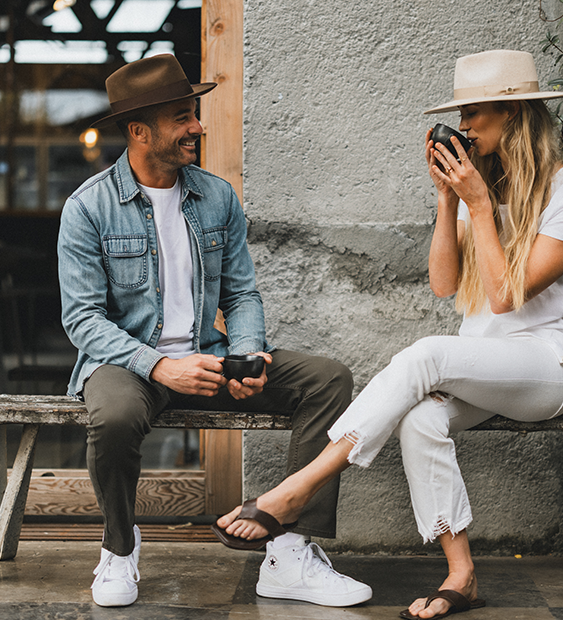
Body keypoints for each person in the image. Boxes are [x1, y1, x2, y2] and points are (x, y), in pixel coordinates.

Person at [213, 49, 563, 619]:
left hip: (549, 368)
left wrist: (478, 203)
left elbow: (503, 296)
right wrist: (450, 200)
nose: (464, 127)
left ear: (514, 117)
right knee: (421, 419)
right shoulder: (481, 192)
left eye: (474, 113)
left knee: (425, 356)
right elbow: (445, 284)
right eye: (462, 115)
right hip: (485, 364)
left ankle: (299, 488)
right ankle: (461, 575)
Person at [57, 53, 372, 609]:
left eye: (193, 115)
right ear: (139, 131)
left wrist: (249, 353)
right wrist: (159, 365)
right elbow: (83, 319)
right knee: (113, 415)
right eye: (183, 117)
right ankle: (119, 548)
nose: (197, 128)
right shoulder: (88, 208)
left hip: (211, 356)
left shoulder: (216, 197)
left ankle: (290, 553)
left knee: (329, 380)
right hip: (130, 365)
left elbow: (242, 294)